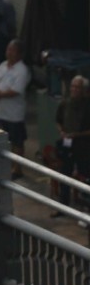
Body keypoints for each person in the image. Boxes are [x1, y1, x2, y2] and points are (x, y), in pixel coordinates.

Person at [0, 39, 30, 179]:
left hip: (14, 114)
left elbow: (16, 91)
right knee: (4, 139)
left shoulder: (22, 70)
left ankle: (17, 168)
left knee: (17, 141)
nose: (9, 53)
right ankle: (7, 165)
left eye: (12, 50)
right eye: (8, 50)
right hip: (0, 111)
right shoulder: (3, 65)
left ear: (20, 54)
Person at [51, 75, 90, 215]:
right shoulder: (65, 103)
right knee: (64, 174)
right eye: (73, 86)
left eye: (77, 87)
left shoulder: (87, 106)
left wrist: (77, 135)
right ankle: (63, 205)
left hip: (84, 146)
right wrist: (62, 131)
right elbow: (58, 120)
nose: (74, 90)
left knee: (84, 175)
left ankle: (85, 206)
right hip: (67, 144)